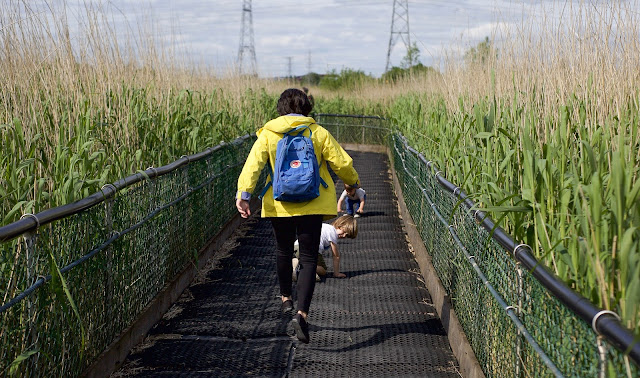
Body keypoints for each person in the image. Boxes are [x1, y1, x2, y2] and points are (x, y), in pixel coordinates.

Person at [235, 88, 360, 344]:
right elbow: (342, 163)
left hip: (278, 203)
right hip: (312, 203)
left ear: (280, 108)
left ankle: (285, 299)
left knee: (283, 251)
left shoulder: (268, 134)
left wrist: (244, 195)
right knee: (308, 257)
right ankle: (302, 314)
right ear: (307, 109)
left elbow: (253, 165)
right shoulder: (318, 132)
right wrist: (352, 184)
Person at [293, 214, 358, 280]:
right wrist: (336, 273)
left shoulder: (325, 226)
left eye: (347, 236)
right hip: (311, 249)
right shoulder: (333, 233)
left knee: (311, 262)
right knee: (323, 270)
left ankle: (297, 265)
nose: (344, 236)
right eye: (344, 232)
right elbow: (336, 256)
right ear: (339, 225)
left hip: (297, 246)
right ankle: (303, 267)